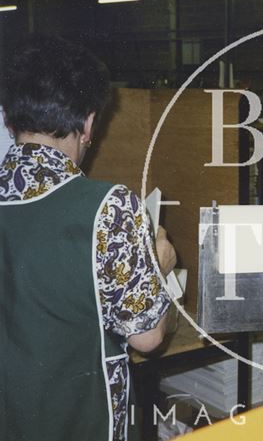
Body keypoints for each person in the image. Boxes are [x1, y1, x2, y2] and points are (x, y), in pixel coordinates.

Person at [0, 35, 177, 441]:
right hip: (78, 421)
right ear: (88, 123)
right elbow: (147, 338)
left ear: (10, 121)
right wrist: (158, 266)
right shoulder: (109, 207)